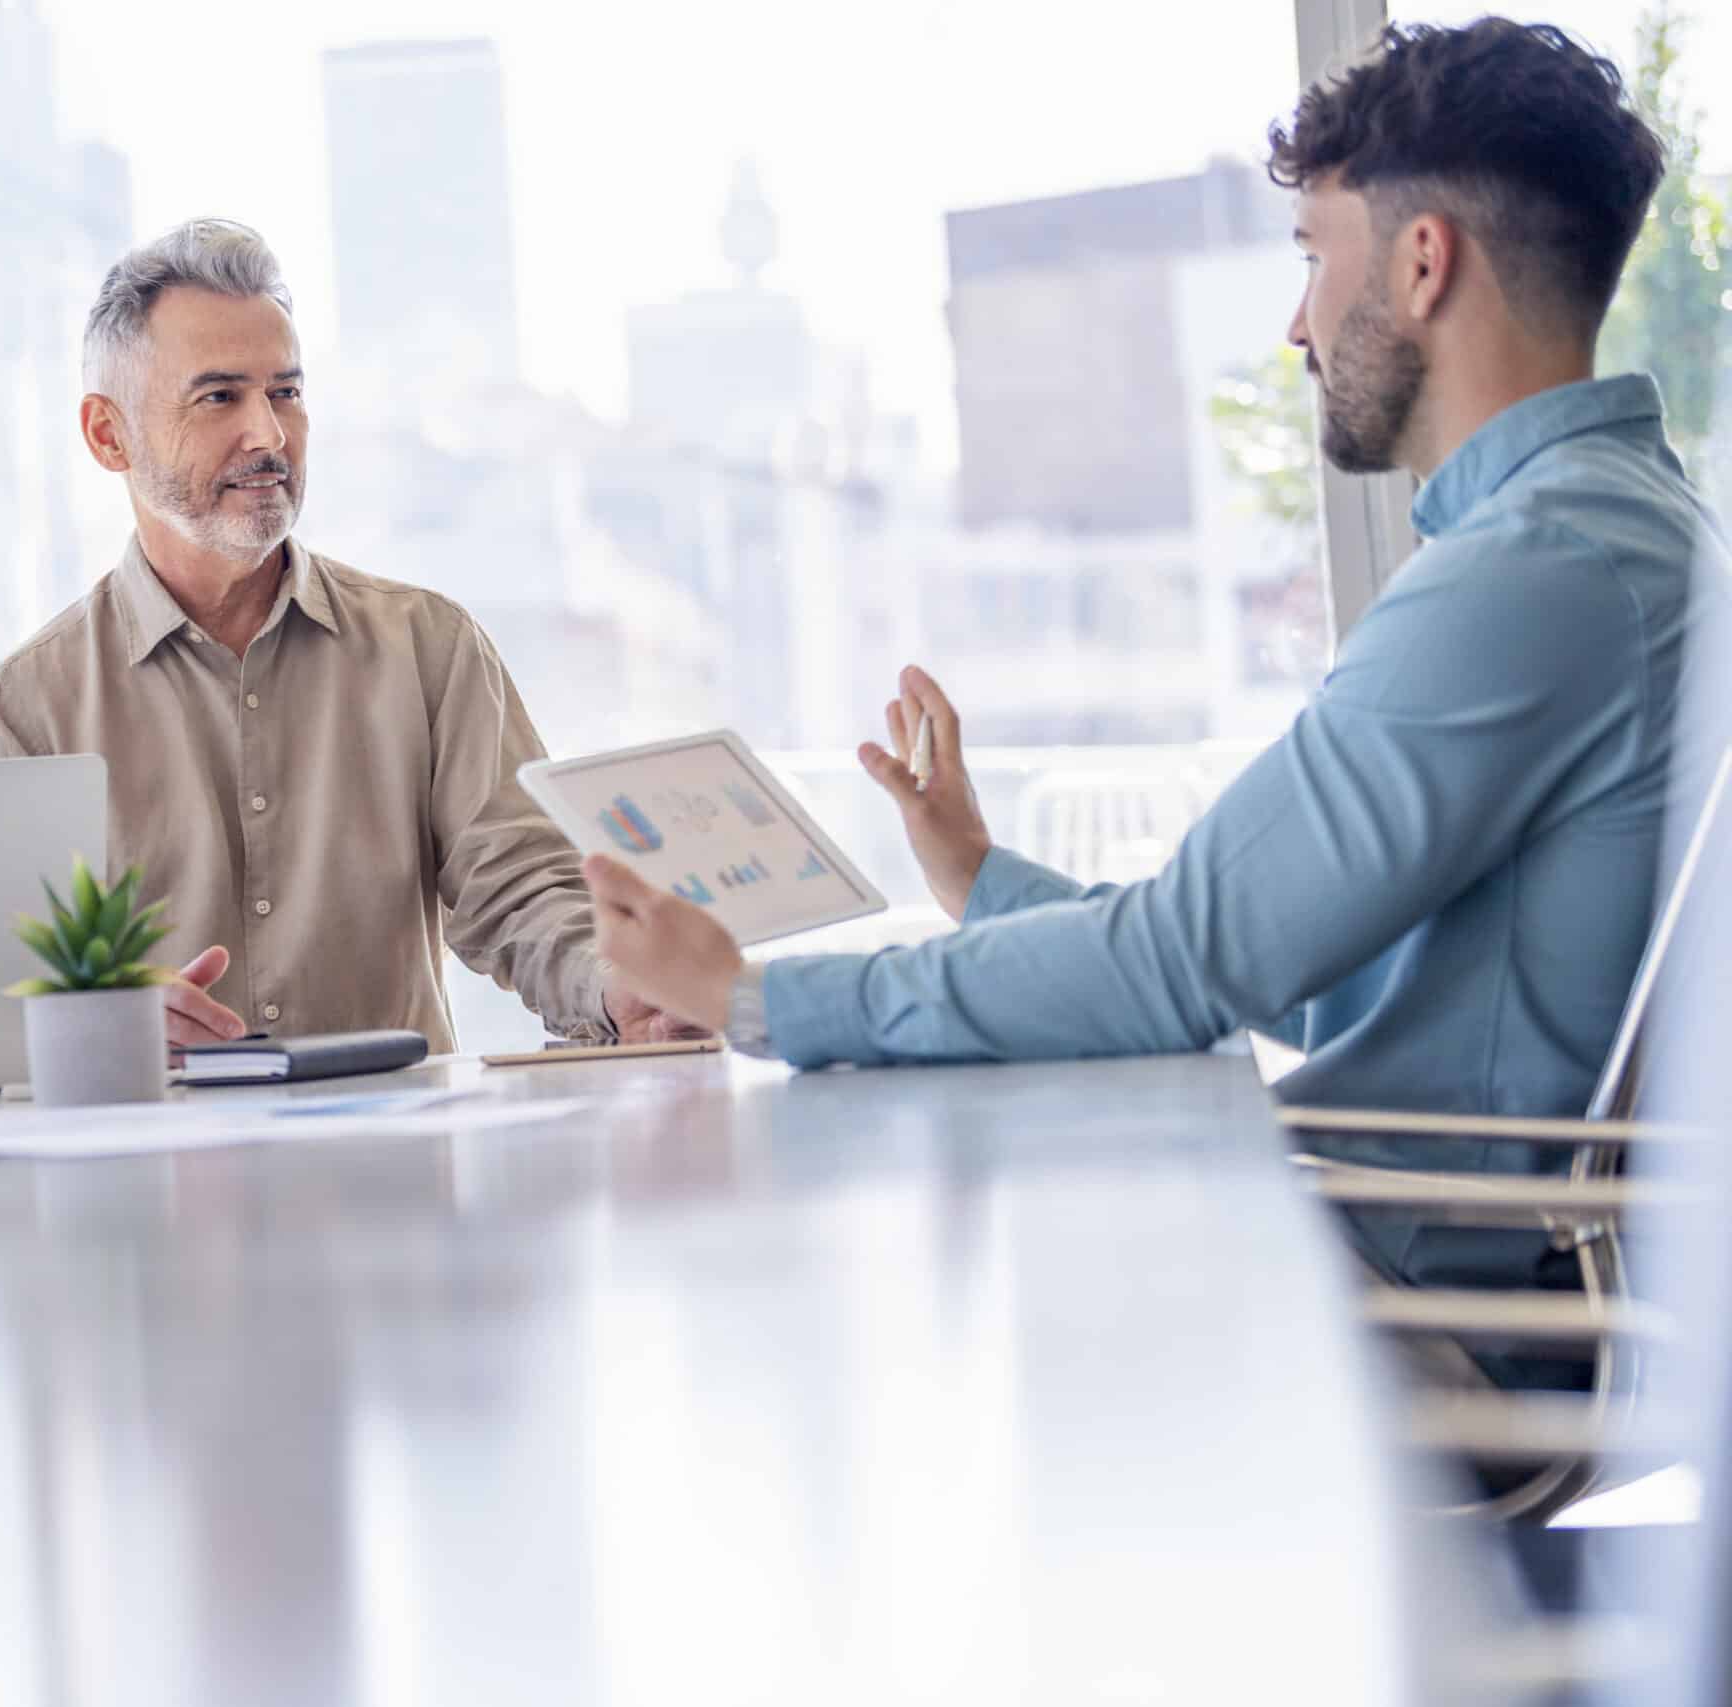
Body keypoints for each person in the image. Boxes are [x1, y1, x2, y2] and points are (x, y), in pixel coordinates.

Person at [586, 20, 1723, 1302]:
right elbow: (1317, 975)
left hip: (1408, 1294)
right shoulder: (1616, 532)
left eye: (1311, 258)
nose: (1298, 325)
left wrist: (757, 1000)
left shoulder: (1531, 574)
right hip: (1419, 1256)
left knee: (858, 1272)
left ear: (1420, 263)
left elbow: (1185, 965)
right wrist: (982, 879)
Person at [0, 219, 686, 1052]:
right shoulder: (25, 706)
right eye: (219, 396)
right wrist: (98, 1019)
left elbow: (524, 887)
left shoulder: (429, 648)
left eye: (287, 392)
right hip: (152, 1171)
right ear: (107, 434)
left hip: (398, 1168)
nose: (268, 435)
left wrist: (614, 986)